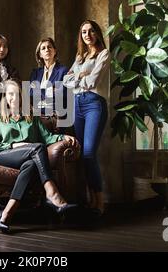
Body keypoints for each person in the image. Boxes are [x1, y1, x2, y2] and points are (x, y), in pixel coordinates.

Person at [0, 79, 78, 233]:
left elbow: (48, 137)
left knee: (30, 165)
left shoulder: (32, 118)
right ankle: (52, 192)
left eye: (17, 94)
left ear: (22, 97)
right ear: (5, 96)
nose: (14, 98)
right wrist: (13, 145)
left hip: (28, 158)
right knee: (37, 148)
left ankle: (6, 214)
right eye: (10, 94)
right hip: (3, 156)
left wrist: (63, 137)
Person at [63, 20, 110, 215]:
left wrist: (79, 77)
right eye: (83, 32)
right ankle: (91, 200)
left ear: (97, 33)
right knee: (82, 155)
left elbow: (93, 81)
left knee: (89, 153)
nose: (87, 35)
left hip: (94, 104)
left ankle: (100, 202)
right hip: (78, 105)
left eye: (91, 31)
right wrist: (80, 76)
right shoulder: (80, 57)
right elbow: (65, 81)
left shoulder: (104, 54)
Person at [29, 37, 69, 131]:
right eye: (43, 48)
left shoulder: (63, 71)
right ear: (40, 54)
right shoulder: (35, 73)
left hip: (55, 113)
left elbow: (62, 94)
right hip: (37, 112)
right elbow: (30, 93)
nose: (47, 49)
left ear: (54, 51)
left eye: (49, 47)